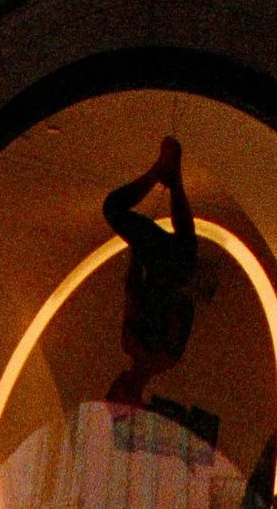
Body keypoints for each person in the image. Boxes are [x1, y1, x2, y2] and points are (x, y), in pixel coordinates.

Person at [102, 137, 199, 409]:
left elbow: (184, 307)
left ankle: (172, 176)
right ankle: (162, 169)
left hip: (178, 271)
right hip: (160, 267)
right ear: (129, 393)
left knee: (184, 239)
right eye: (115, 389)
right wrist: (137, 250)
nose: (114, 383)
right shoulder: (134, 345)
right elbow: (133, 290)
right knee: (113, 209)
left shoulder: (166, 358)